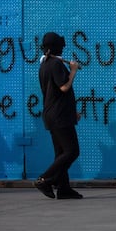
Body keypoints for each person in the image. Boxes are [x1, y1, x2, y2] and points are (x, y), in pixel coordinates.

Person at [35, 32, 83, 199]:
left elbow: (54, 93)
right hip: (59, 116)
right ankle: (45, 179)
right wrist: (73, 71)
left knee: (61, 153)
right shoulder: (56, 64)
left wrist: (71, 112)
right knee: (72, 151)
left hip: (54, 114)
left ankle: (63, 188)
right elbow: (64, 87)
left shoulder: (44, 65)